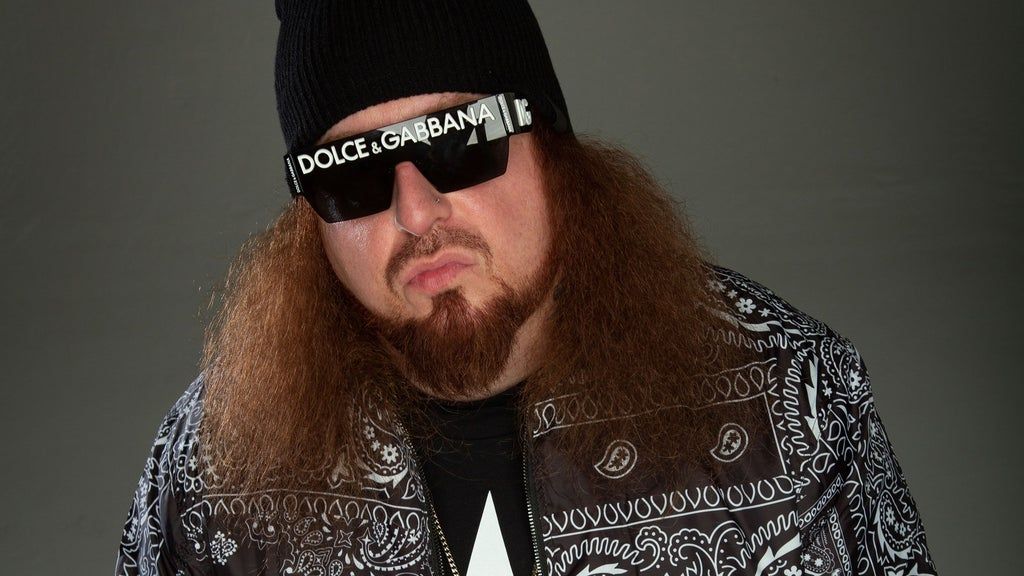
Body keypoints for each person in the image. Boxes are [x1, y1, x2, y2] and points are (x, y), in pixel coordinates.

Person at [115, 1, 937, 575]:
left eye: (459, 142)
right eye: (349, 174)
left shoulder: (794, 397)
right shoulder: (215, 464)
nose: (414, 212)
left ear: (553, 148)